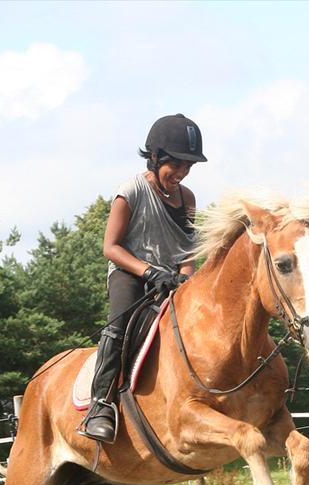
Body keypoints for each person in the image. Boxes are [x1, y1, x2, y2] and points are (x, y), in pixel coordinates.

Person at [79, 114, 207, 443]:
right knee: (118, 329)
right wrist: (150, 272)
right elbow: (110, 247)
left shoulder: (187, 199)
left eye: (187, 167)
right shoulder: (130, 191)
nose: (181, 173)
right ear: (155, 157)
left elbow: (187, 250)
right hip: (130, 273)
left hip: (171, 279)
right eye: (175, 165)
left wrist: (184, 276)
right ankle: (101, 404)